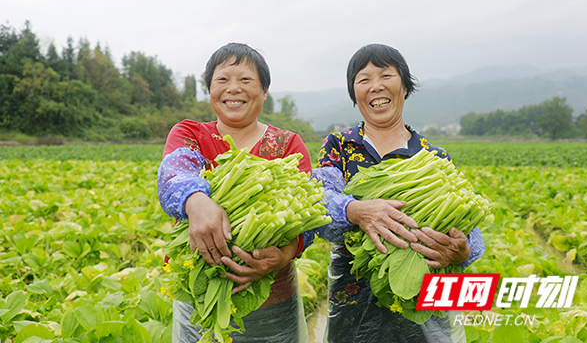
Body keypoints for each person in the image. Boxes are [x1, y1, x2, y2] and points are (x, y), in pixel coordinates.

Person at [313, 43, 486, 343]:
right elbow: (318, 206)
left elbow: (469, 232)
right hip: (354, 305)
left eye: (386, 76)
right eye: (364, 79)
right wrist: (355, 211)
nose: (376, 86)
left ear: (405, 86)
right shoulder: (339, 145)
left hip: (424, 305)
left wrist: (464, 250)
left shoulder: (432, 157)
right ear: (354, 93)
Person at [157, 43, 312, 343]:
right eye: (223, 80)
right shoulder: (189, 135)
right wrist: (196, 199)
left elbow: (308, 216)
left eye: (245, 80)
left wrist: (284, 255)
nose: (233, 89)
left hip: (273, 301)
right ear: (210, 90)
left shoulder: (288, 146)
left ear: (264, 91)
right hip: (198, 294)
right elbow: (174, 174)